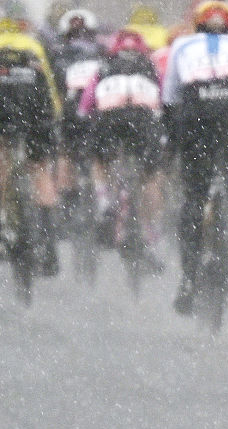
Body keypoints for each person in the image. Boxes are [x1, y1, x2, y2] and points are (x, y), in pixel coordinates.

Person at [162, 0, 228, 315]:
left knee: (193, 197)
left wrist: (171, 140)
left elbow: (170, 95)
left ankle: (188, 279)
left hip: (195, 117)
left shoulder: (182, 44)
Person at [76, 29, 165, 272]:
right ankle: (151, 233)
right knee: (152, 176)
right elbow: (164, 99)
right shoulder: (151, 67)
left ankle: (105, 202)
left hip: (110, 120)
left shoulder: (104, 67)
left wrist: (87, 118)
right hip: (144, 122)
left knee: (100, 160)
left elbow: (85, 107)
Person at [0, 15, 62, 277]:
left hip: (5, 108)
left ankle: (2, 224)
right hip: (36, 110)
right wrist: (54, 116)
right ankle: (48, 248)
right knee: (40, 170)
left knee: (2, 160)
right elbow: (48, 85)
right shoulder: (33, 45)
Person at [49, 9, 101, 237]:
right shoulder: (101, 51)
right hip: (95, 114)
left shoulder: (56, 53)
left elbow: (52, 88)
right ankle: (103, 205)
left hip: (71, 113)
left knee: (65, 155)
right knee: (98, 158)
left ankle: (68, 209)